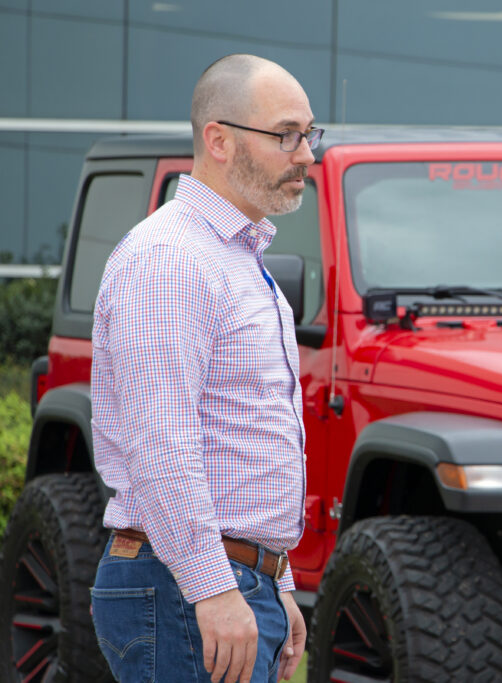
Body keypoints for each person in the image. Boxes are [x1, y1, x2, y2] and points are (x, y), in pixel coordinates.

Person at [90, 54, 321, 683]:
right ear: (218, 140)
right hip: (185, 588)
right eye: (286, 135)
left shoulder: (234, 257)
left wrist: (277, 578)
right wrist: (213, 589)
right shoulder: (170, 260)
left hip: (224, 583)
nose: (306, 155)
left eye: (310, 133)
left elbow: (243, 441)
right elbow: (161, 446)